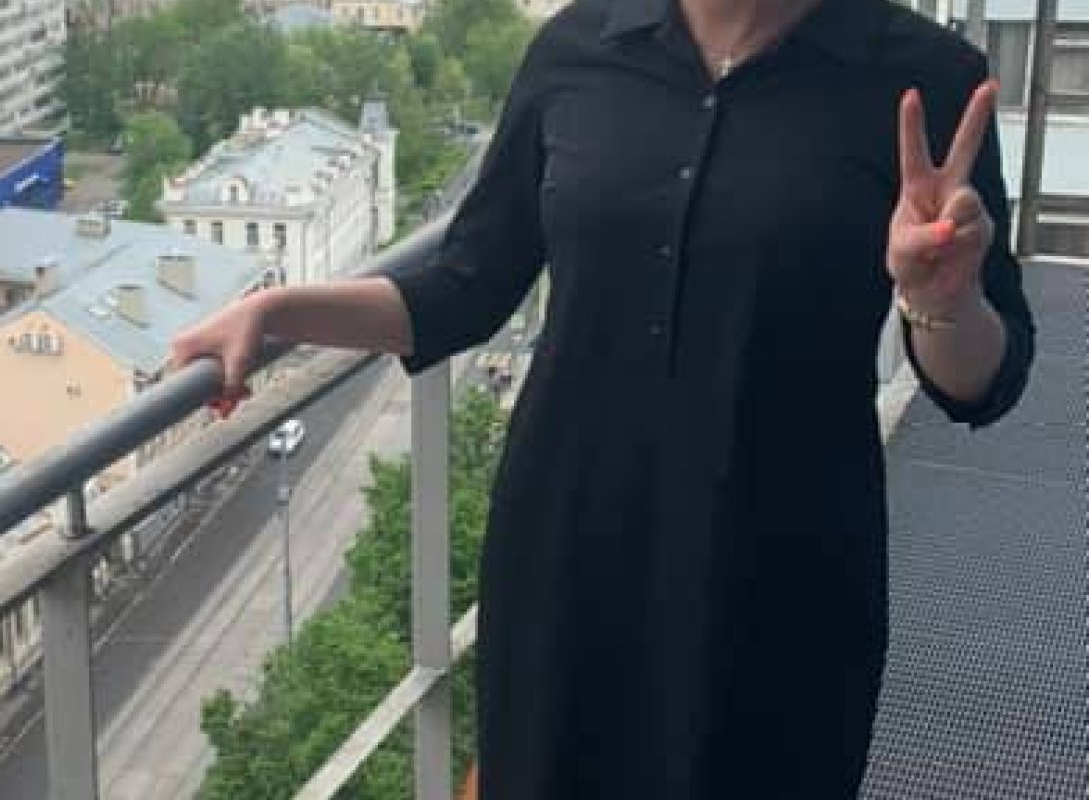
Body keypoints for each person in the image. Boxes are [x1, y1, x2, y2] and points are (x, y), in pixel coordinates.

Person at [167, 0, 1037, 797]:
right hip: (568, 556)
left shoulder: (924, 78)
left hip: (779, 576)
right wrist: (280, 313)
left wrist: (943, 298)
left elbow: (981, 382)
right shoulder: (578, 49)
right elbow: (466, 284)